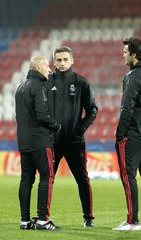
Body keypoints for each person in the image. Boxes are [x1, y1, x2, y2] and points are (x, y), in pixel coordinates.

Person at [46, 46, 98, 227]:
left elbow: (92, 109)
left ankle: (88, 217)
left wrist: (80, 129)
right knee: (47, 179)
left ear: (72, 61)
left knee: (82, 179)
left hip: (74, 141)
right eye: (58, 60)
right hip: (52, 141)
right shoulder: (45, 83)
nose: (61, 63)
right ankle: (44, 217)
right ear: (54, 61)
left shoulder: (81, 83)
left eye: (65, 60)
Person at [112, 37, 141, 231]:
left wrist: (120, 135)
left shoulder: (133, 76)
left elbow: (127, 108)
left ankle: (132, 221)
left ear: (134, 54)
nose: (122, 55)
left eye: (125, 52)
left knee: (127, 176)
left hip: (133, 135)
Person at [15, 55, 61, 231]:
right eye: (47, 66)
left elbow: (18, 117)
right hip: (41, 141)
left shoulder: (20, 87)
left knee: (26, 179)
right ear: (39, 67)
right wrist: (56, 126)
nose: (50, 70)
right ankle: (43, 220)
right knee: (47, 177)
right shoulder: (39, 86)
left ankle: (25, 221)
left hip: (24, 142)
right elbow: (42, 115)